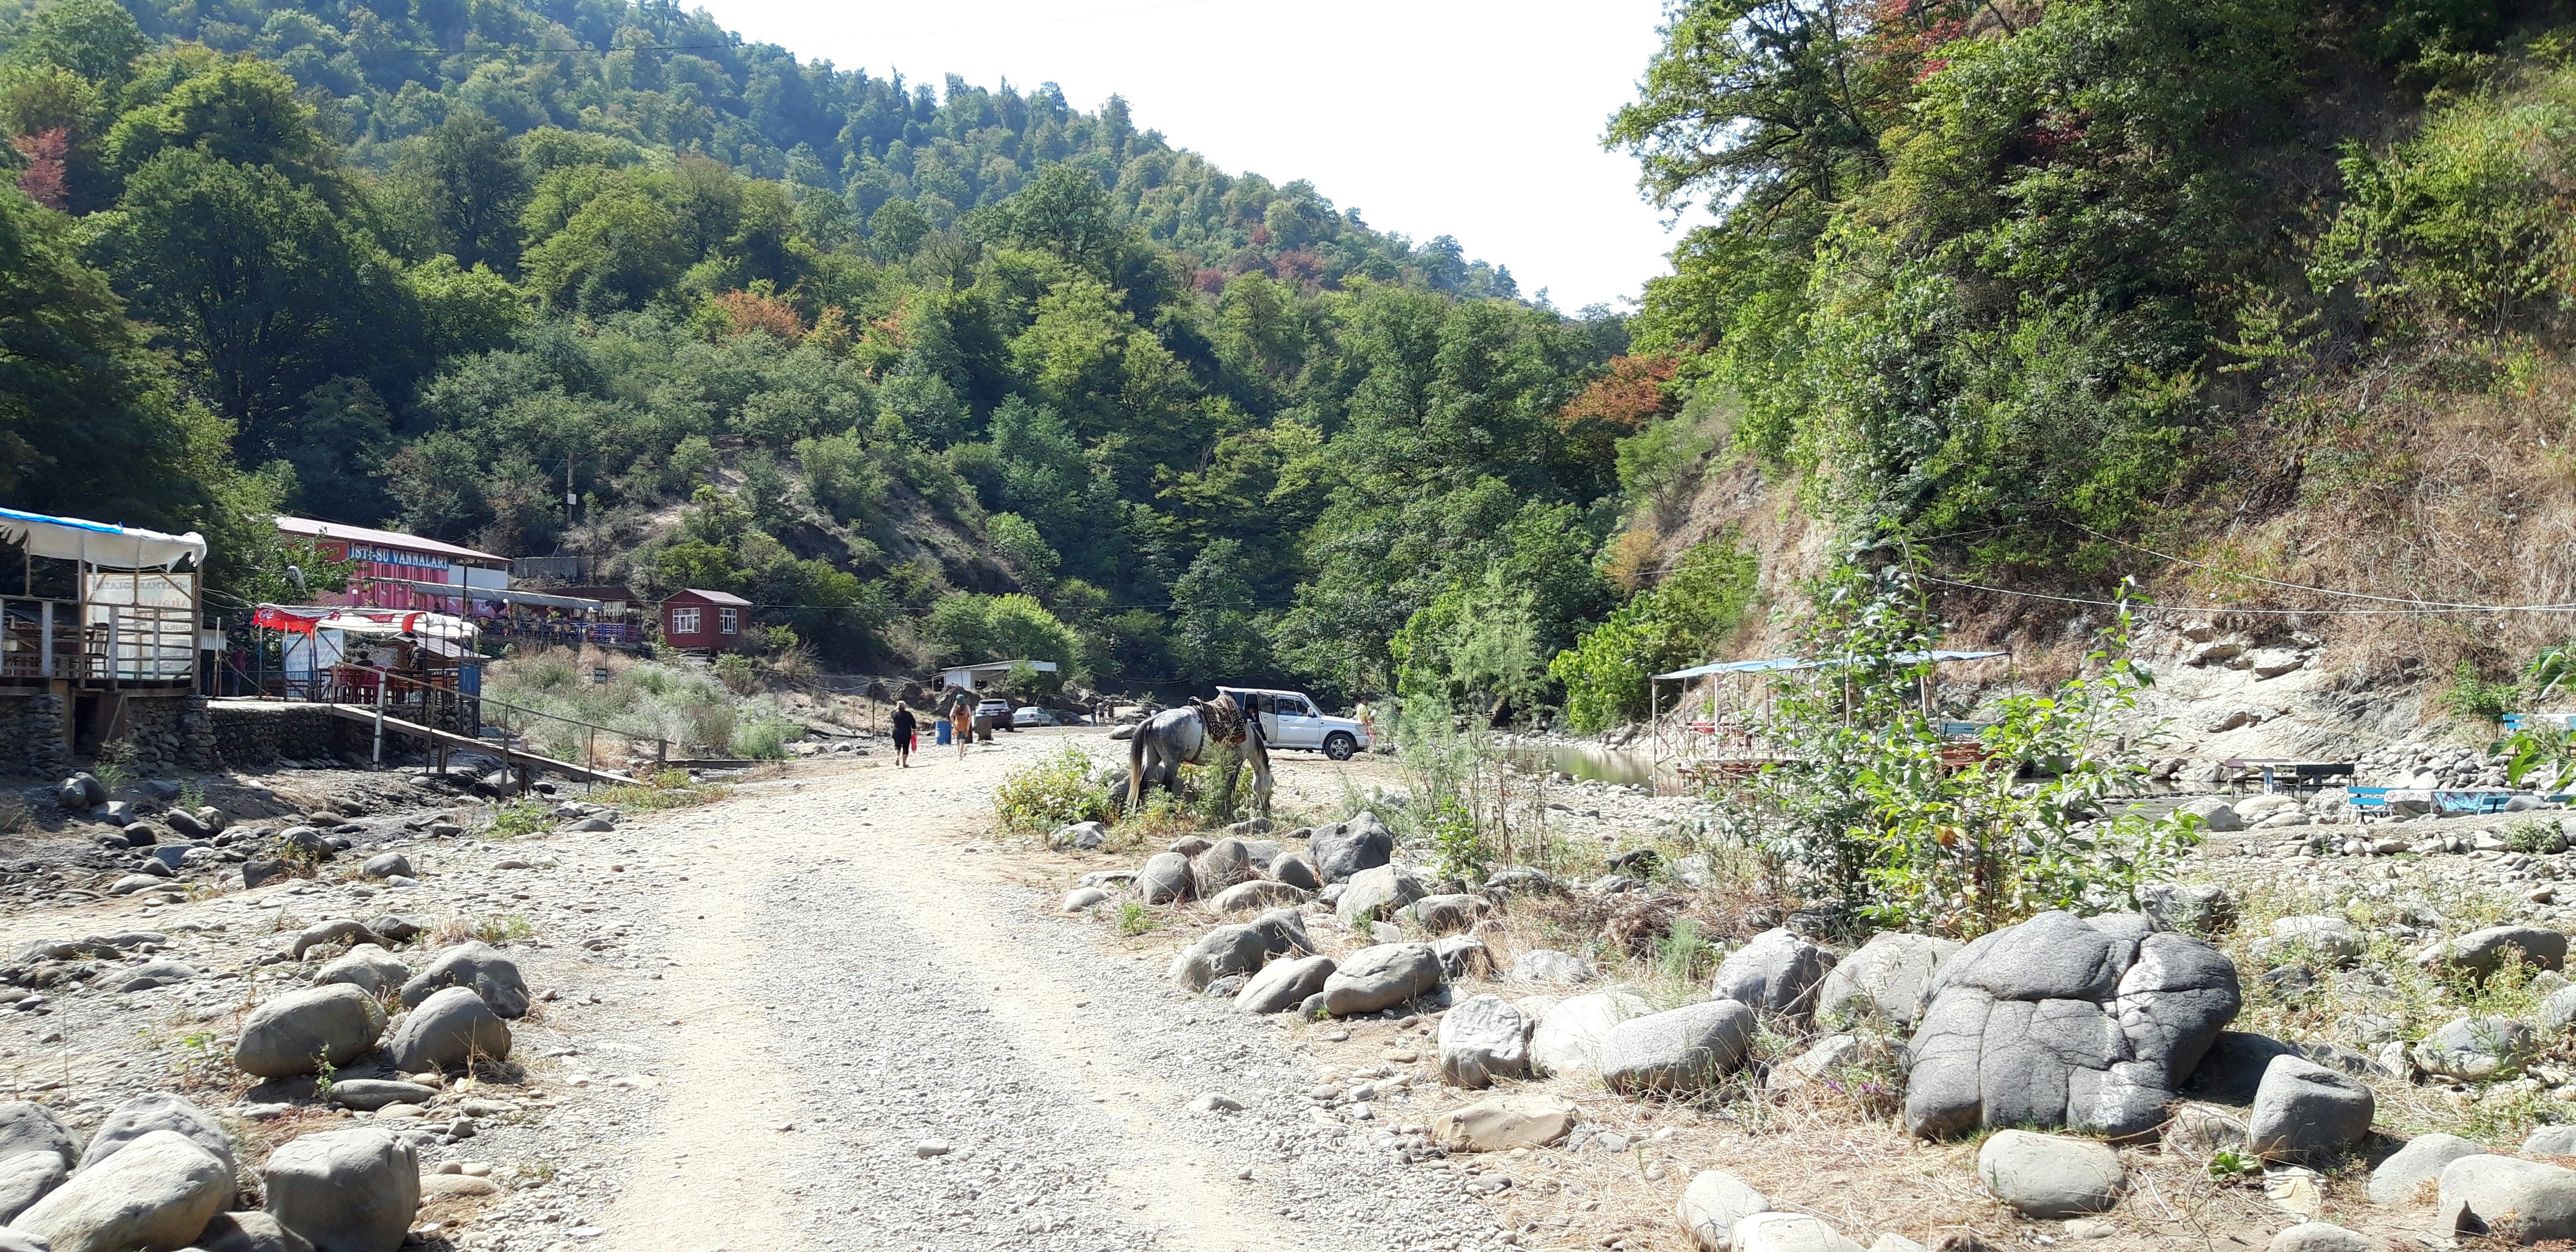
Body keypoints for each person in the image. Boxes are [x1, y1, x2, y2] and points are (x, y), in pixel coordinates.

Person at [891, 701, 916, 767]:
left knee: (897, 746)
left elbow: (892, 713)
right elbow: (913, 723)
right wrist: (914, 729)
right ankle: (904, 763)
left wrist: (896, 708)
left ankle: (897, 757)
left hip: (897, 732)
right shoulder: (908, 714)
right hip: (906, 732)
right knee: (906, 747)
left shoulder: (895, 715)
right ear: (905, 706)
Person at [951, 691, 973, 758]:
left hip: (957, 726)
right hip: (964, 726)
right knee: (962, 741)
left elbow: (951, 716)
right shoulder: (967, 707)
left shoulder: (956, 708)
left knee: (958, 740)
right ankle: (960, 755)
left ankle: (959, 752)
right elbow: (970, 717)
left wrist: (954, 725)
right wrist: (968, 726)